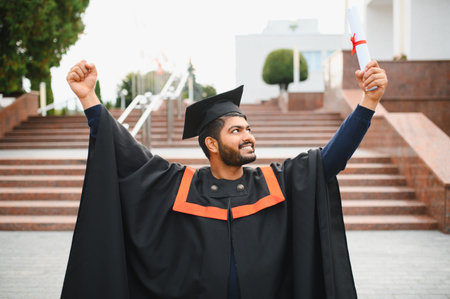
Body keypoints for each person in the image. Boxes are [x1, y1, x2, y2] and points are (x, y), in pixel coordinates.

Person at [62, 60, 387, 299]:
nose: (249, 137)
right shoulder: (180, 185)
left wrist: (368, 103)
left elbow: (330, 158)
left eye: (248, 129)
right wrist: (89, 99)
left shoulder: (276, 182)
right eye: (237, 131)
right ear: (212, 144)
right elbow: (126, 153)